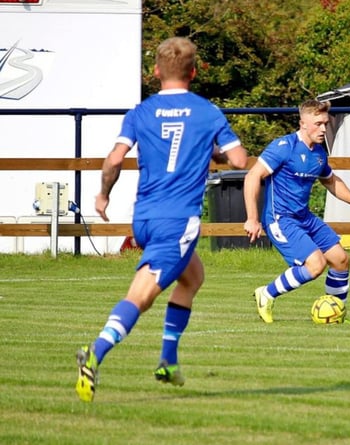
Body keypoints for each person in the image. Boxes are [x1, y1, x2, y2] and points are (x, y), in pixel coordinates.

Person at [75, 37, 248, 402]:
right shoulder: (207, 111)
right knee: (141, 296)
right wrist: (210, 150)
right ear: (195, 72)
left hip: (145, 218)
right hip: (178, 220)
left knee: (193, 276)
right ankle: (95, 352)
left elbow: (115, 159)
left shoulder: (141, 112)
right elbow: (239, 161)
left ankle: (168, 361)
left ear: (155, 72)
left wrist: (104, 193)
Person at [243, 99, 350, 323]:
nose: (323, 128)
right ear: (303, 123)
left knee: (341, 260)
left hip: (304, 217)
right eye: (318, 123)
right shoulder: (283, 147)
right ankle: (266, 293)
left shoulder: (319, 153)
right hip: (280, 219)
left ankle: (335, 313)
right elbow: (252, 176)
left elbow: (330, 181)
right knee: (315, 265)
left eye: (325, 123)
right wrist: (252, 219)